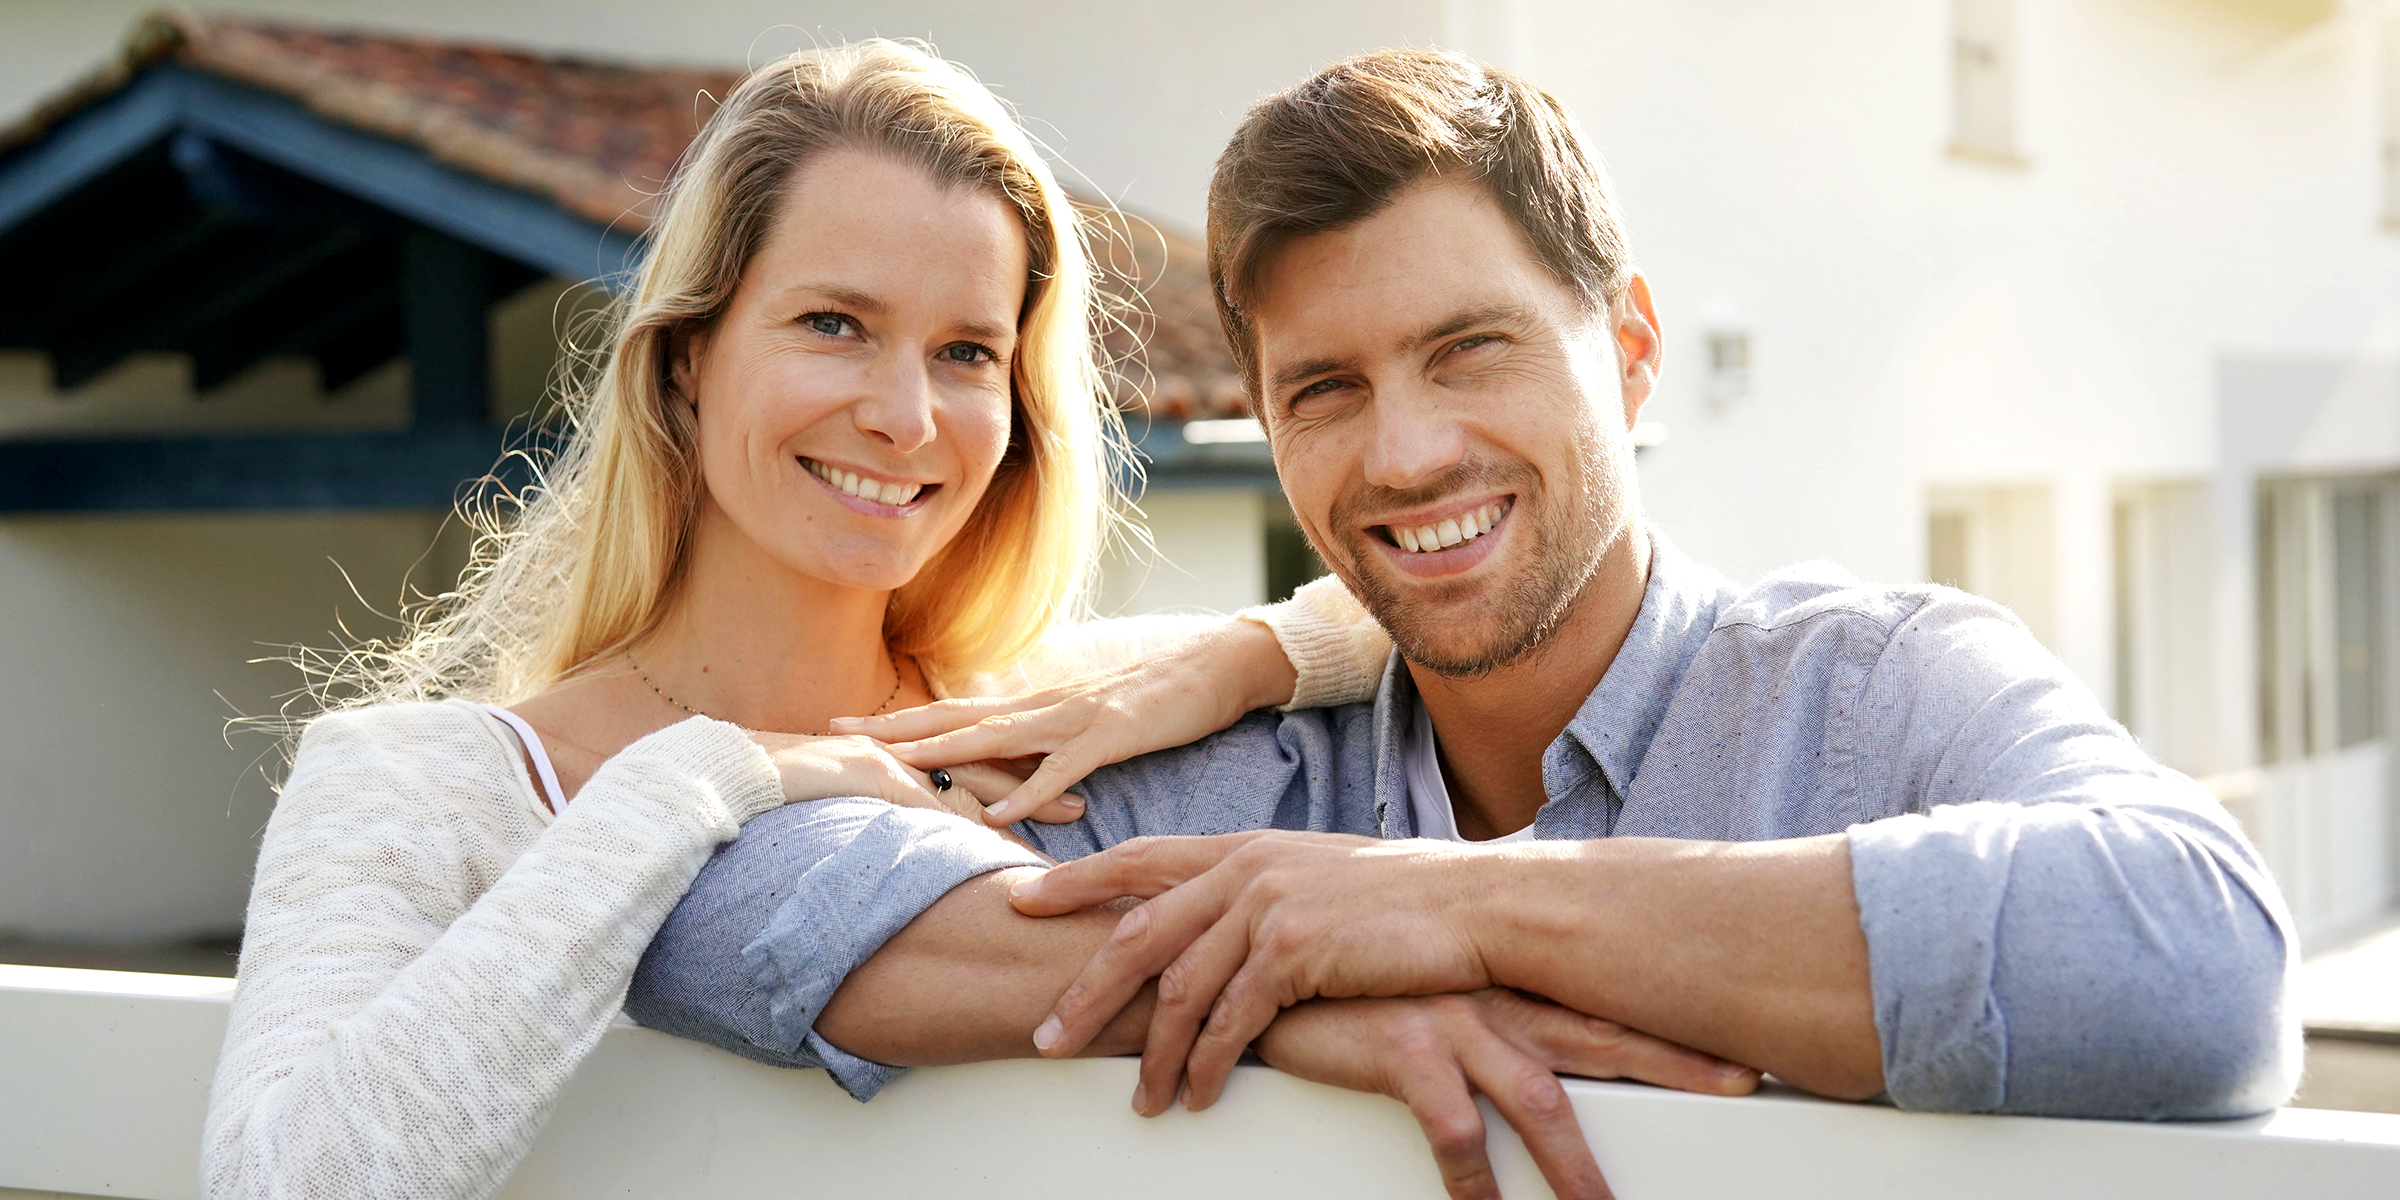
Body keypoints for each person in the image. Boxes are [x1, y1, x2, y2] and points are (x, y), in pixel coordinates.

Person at [627, 48, 2298, 1200]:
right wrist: (1295, 991)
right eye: (1329, 388)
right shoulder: (1219, 780)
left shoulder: (1877, 692)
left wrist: (1443, 910)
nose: (1405, 451)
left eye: (1474, 349)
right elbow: (722, 899)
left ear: (1631, 353)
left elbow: (2199, 970)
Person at [199, 40, 1416, 1200]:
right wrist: (701, 782)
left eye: (966, 352)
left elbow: (1442, 606)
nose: (905, 415)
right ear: (688, 356)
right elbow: (283, 1179)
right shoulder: (422, 785)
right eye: (835, 324)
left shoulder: (1052, 713)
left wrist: (1241, 661)